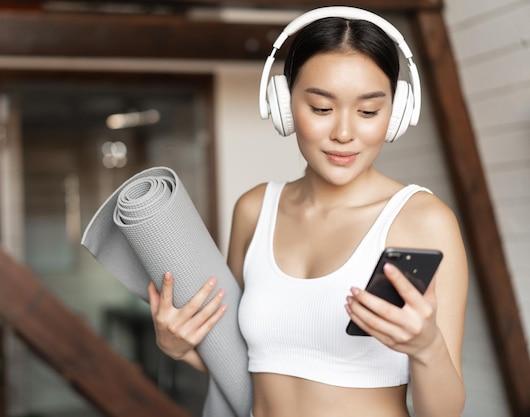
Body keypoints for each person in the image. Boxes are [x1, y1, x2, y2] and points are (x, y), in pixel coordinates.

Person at [147, 7, 468, 417]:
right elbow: (245, 362)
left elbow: (444, 412)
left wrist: (426, 349)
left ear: (397, 112)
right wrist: (182, 349)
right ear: (283, 104)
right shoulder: (254, 208)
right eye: (321, 108)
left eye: (369, 112)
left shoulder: (424, 220)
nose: (345, 133)